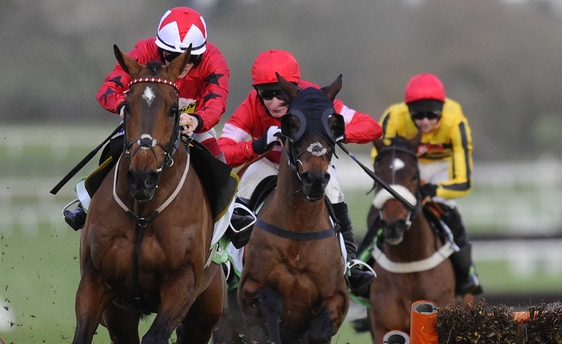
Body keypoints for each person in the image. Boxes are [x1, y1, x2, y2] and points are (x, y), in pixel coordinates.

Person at [218, 49, 382, 294]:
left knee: (335, 191)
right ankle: (228, 261)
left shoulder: (317, 99)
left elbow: (372, 127)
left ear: (292, 87)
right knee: (246, 183)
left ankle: (351, 264)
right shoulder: (251, 106)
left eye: (279, 94)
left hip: (307, 165)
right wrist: (258, 144)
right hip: (267, 163)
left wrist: (341, 133)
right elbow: (222, 153)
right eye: (266, 94)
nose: (273, 102)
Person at [64, 6, 230, 230]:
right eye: (172, 57)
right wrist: (122, 106)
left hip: (191, 123)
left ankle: (229, 224)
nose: (182, 64)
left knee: (220, 168)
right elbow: (108, 88)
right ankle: (87, 203)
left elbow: (216, 101)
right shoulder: (145, 49)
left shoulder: (215, 60)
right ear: (160, 49)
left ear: (203, 52)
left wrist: (198, 120)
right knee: (114, 149)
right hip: (147, 121)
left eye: (193, 58)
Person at [370, 73, 482, 296]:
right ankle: (361, 263)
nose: (425, 122)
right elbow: (380, 160)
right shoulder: (393, 117)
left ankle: (467, 271)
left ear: (442, 109)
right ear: (407, 110)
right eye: (418, 116)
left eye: (432, 115)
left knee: (448, 208)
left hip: (441, 167)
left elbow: (464, 182)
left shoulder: (455, 121)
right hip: (406, 167)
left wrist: (433, 190)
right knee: (381, 208)